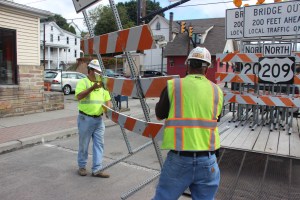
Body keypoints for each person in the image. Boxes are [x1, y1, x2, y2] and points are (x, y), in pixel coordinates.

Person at [153, 47, 224, 200]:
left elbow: (159, 115)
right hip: (208, 160)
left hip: (179, 159)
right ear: (207, 69)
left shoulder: (173, 86)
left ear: (188, 66)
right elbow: (215, 118)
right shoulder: (217, 91)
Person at [75, 59, 112, 178]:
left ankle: (97, 169)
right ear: (90, 70)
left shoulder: (102, 84)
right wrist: (92, 88)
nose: (99, 74)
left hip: (99, 120)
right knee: (84, 144)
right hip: (85, 119)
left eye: (100, 72)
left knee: (99, 144)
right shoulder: (83, 82)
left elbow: (108, 99)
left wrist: (108, 110)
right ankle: (82, 166)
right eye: (96, 72)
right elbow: (79, 96)